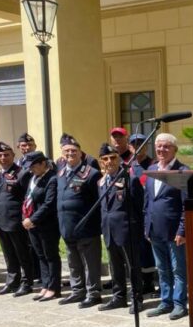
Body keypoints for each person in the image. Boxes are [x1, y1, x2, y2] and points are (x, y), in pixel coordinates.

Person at [144, 133, 189, 320]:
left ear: (174, 149)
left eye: (166, 146)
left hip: (174, 231)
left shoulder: (182, 171)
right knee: (162, 268)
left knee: (178, 269)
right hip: (155, 229)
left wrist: (182, 230)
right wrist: (147, 227)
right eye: (159, 146)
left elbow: (187, 204)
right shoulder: (152, 169)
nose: (161, 150)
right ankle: (166, 301)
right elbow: (147, 201)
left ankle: (179, 304)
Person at [56, 134, 104, 309]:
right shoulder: (60, 173)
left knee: (90, 263)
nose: (70, 153)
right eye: (67, 151)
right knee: (73, 262)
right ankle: (77, 291)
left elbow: (98, 202)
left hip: (86, 227)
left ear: (80, 153)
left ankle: (94, 293)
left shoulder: (91, 173)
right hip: (67, 226)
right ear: (62, 154)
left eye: (74, 151)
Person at [97, 143, 144, 312]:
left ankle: (136, 297)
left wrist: (139, 231)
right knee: (115, 267)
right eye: (105, 159)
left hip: (127, 230)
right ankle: (119, 297)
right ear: (101, 162)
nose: (110, 161)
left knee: (132, 266)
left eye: (113, 158)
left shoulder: (130, 179)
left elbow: (140, 207)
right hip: (109, 230)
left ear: (119, 159)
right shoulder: (101, 183)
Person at [0, 141, 35, 296]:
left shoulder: (22, 173)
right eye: (0, 155)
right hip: (1, 221)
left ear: (13, 156)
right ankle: (12, 282)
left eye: (7, 155)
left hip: (16, 221)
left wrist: (26, 218)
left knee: (22, 253)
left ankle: (27, 283)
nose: (3, 158)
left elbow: (27, 198)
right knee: (9, 254)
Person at [21, 151, 61, 301]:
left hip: (47, 224)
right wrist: (25, 217)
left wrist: (33, 219)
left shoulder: (52, 179)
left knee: (50, 255)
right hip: (32, 224)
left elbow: (49, 204)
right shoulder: (34, 178)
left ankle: (54, 287)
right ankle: (46, 284)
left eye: (33, 166)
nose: (30, 169)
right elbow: (27, 199)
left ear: (43, 163)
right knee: (40, 256)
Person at [130, 133, 158, 296]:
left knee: (153, 249)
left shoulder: (153, 164)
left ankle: (158, 283)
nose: (137, 147)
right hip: (135, 215)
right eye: (134, 144)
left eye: (141, 143)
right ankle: (146, 283)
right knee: (141, 251)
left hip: (150, 213)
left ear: (147, 146)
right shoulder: (129, 166)